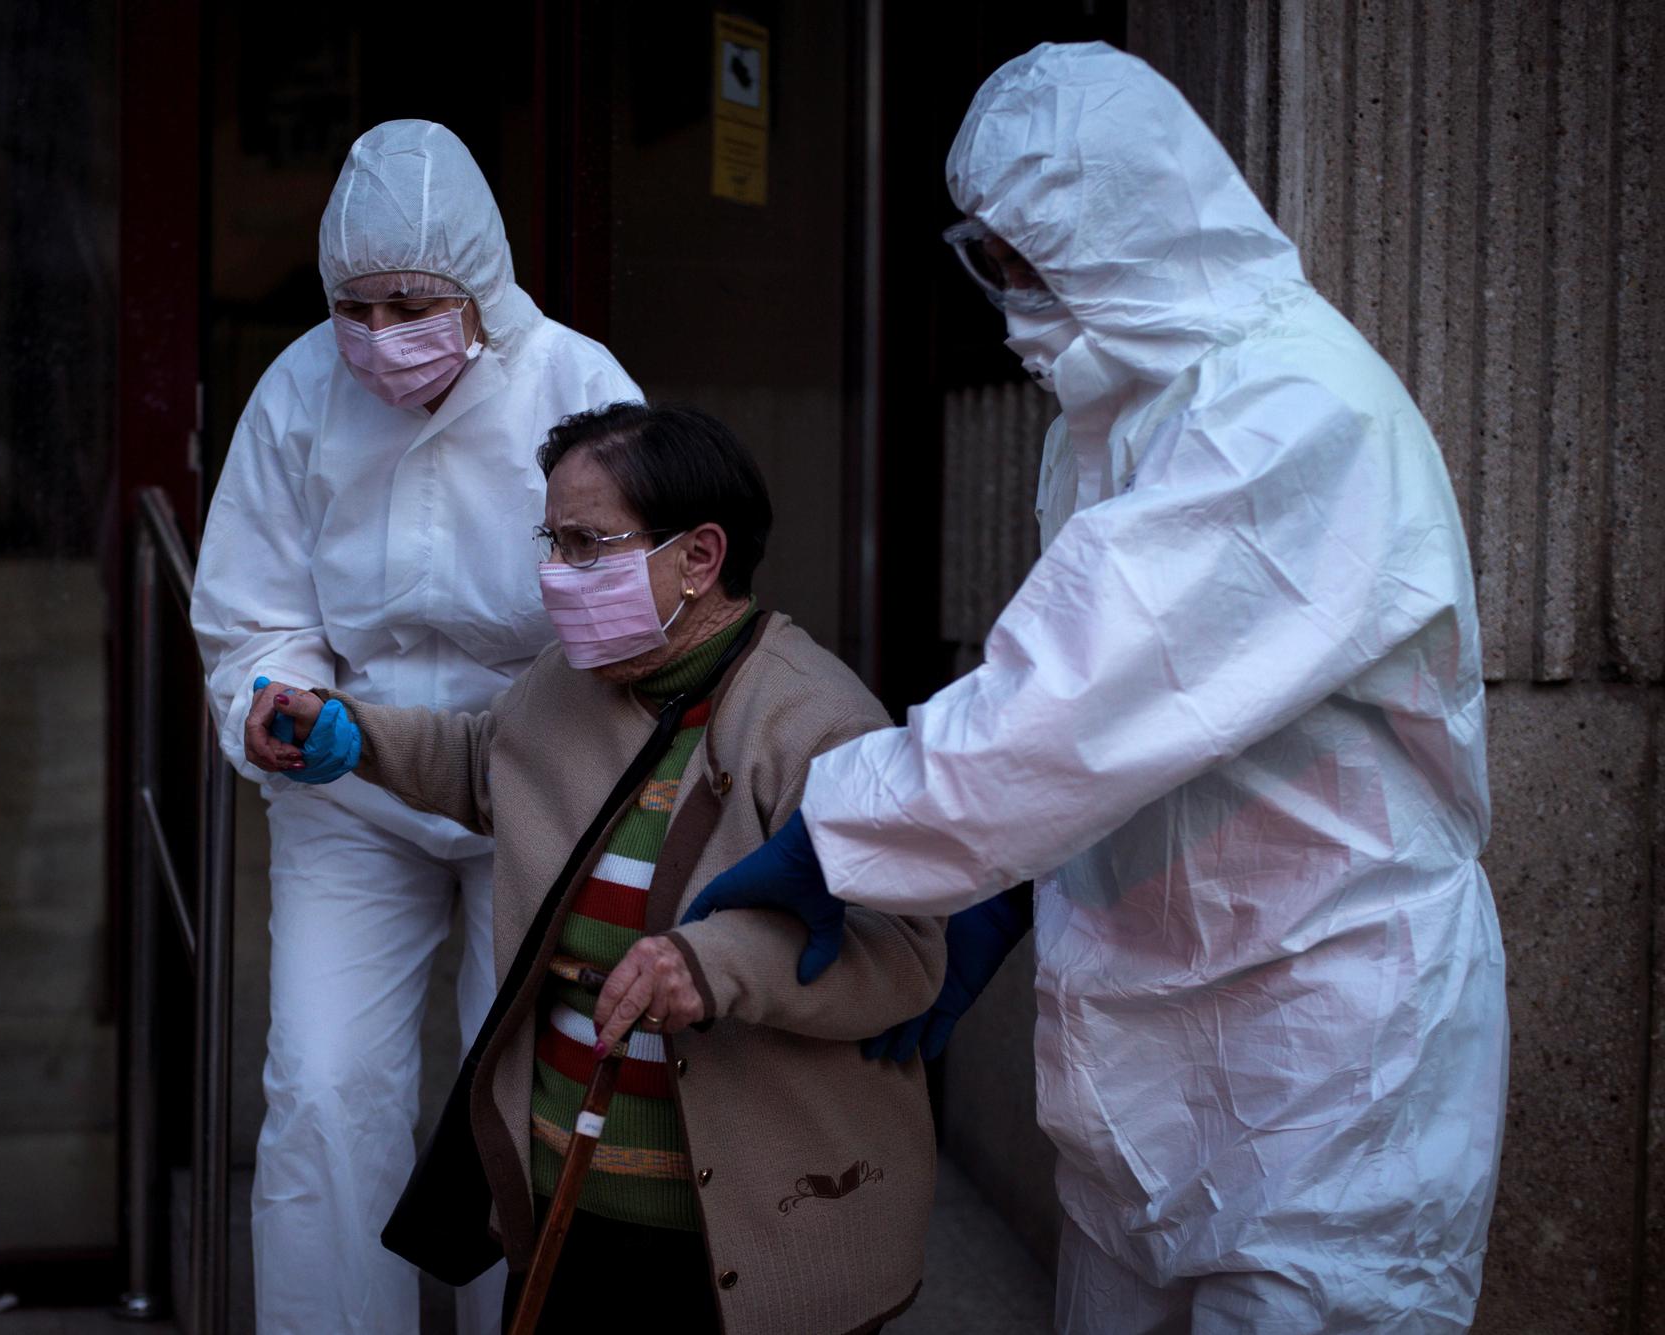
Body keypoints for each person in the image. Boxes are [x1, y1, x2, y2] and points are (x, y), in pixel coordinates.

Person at [686, 42, 1508, 1333]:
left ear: (1135, 225)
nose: (1016, 310)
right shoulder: (1124, 413)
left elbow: (1063, 702)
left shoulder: (1292, 415)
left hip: (1332, 1061)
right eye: (997, 268)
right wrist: (1007, 888)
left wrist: (837, 833)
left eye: (1035, 269)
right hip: (1157, 1043)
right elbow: (1125, 733)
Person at [258, 403, 944, 1335]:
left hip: (741, 1237)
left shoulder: (817, 721)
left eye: (588, 545)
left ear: (700, 558)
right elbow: (485, 763)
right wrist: (351, 732)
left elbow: (900, 950)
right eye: (553, 541)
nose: (557, 576)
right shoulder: (566, 684)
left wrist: (715, 964)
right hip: (568, 1205)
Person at [189, 119, 640, 1335]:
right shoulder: (296, 391)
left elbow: (640, 613)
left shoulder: (579, 387)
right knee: (325, 1086)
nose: (381, 336)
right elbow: (252, 609)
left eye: (414, 302)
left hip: (538, 785)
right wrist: (277, 706)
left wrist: (571, 746)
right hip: (358, 784)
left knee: (529, 1097)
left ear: (481, 288)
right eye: (357, 304)